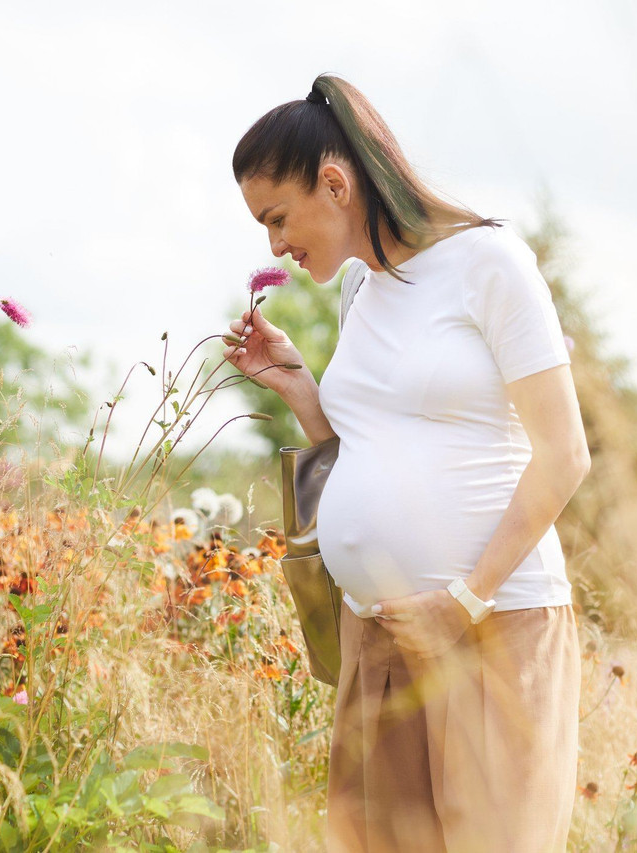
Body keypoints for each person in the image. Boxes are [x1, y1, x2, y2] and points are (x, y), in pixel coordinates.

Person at [223, 73, 590, 853]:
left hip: (492, 628)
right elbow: (367, 451)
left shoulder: (490, 261)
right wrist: (301, 390)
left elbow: (565, 455)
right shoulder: (361, 287)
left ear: (335, 183)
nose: (275, 247)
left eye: (277, 218)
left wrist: (462, 602)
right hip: (380, 640)